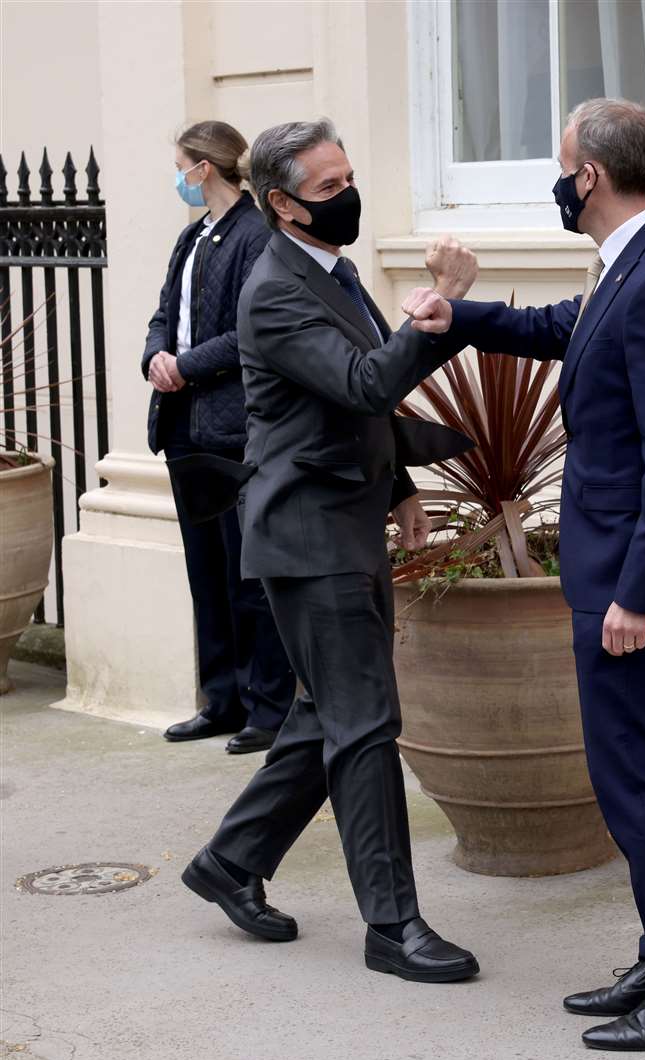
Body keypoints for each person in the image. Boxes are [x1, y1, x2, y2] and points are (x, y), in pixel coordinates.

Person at [401, 98, 645, 1049]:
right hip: (621, 564)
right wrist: (458, 316)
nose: (558, 183)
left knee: (634, 777)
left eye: (562, 168)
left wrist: (636, 594)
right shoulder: (632, 260)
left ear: (588, 176)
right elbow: (569, 328)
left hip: (643, 578)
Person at [179, 118, 480, 983]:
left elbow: (361, 403)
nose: (347, 195)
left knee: (328, 714)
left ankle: (231, 862)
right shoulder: (273, 289)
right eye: (327, 187)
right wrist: (432, 308)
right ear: (281, 203)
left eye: (348, 175)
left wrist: (401, 486)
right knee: (364, 725)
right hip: (308, 540)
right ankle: (392, 927)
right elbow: (366, 379)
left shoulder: (334, 271)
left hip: (346, 521)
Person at [142, 121, 295, 755]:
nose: (177, 176)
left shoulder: (255, 236)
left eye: (181, 165)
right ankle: (221, 699)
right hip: (182, 423)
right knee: (205, 569)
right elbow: (163, 314)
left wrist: (185, 364)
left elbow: (247, 333)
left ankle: (267, 706)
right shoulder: (192, 235)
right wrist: (154, 354)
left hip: (230, 428)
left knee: (245, 572)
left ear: (203, 168)